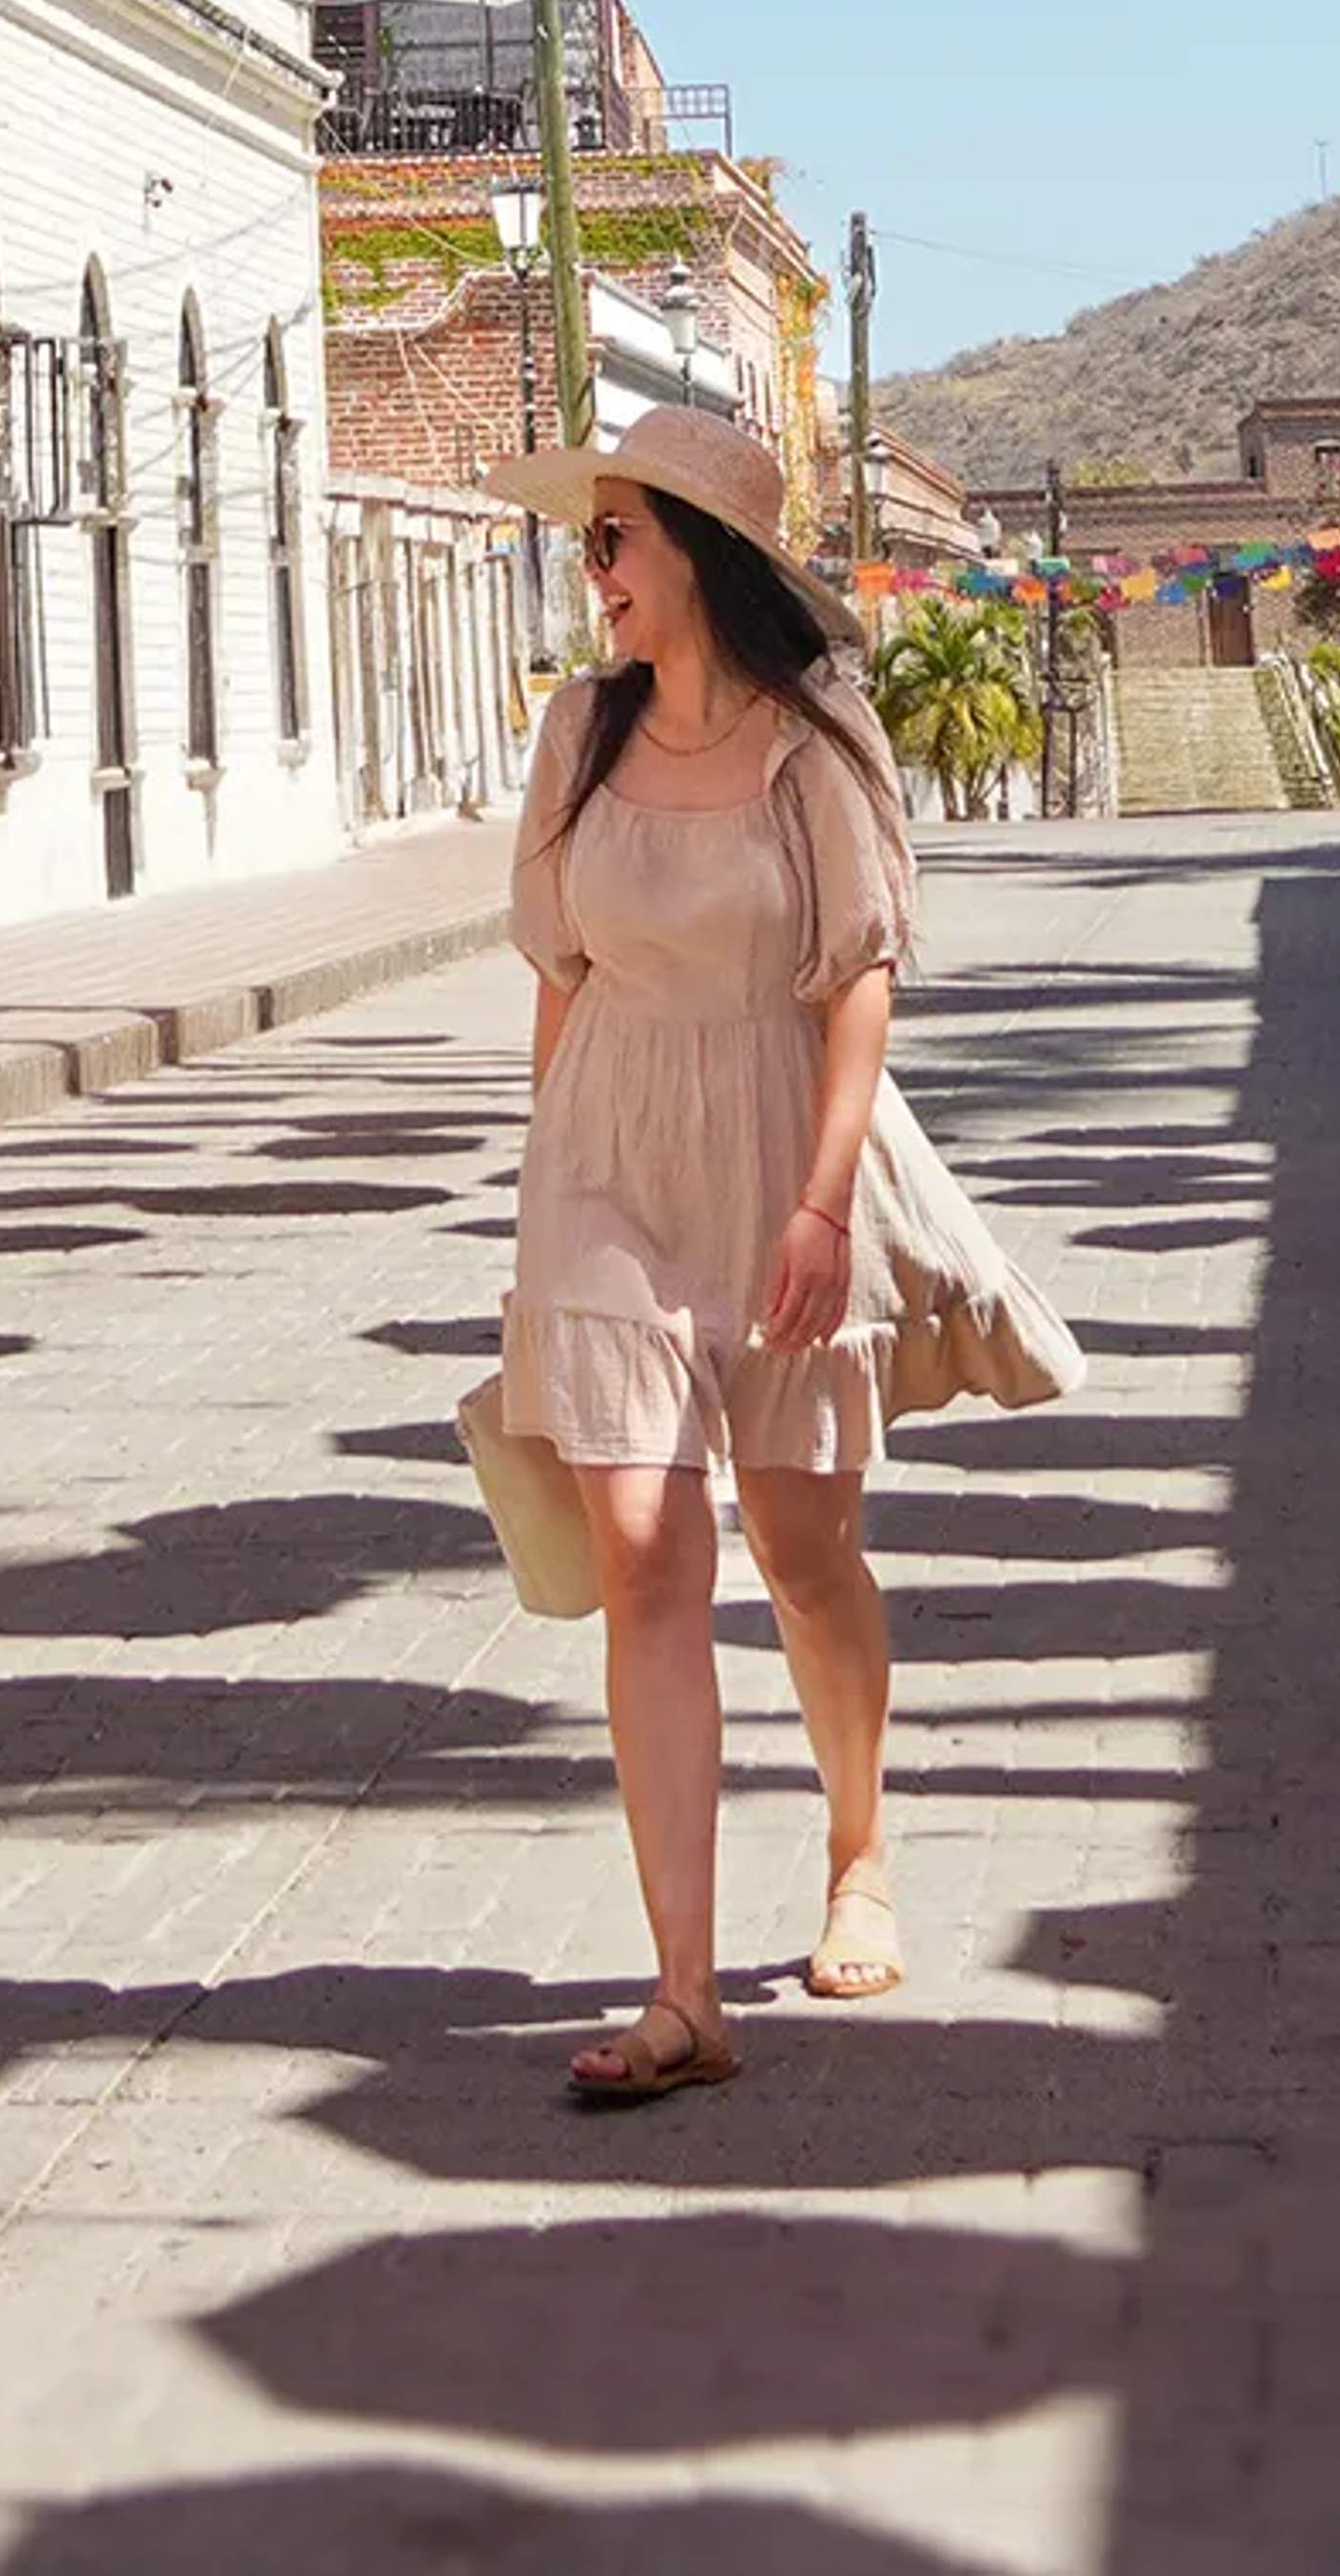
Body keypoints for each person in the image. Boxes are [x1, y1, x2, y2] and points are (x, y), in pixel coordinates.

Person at [484, 408, 1081, 2108]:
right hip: (605, 1158)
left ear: (697, 558)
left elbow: (858, 987)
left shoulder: (816, 744)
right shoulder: (578, 740)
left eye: (612, 541)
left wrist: (823, 1206)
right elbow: (559, 975)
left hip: (775, 1151)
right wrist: (546, 1194)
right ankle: (684, 1993)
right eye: (587, 541)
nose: (588, 572)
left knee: (803, 1550)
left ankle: (860, 1848)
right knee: (649, 1553)